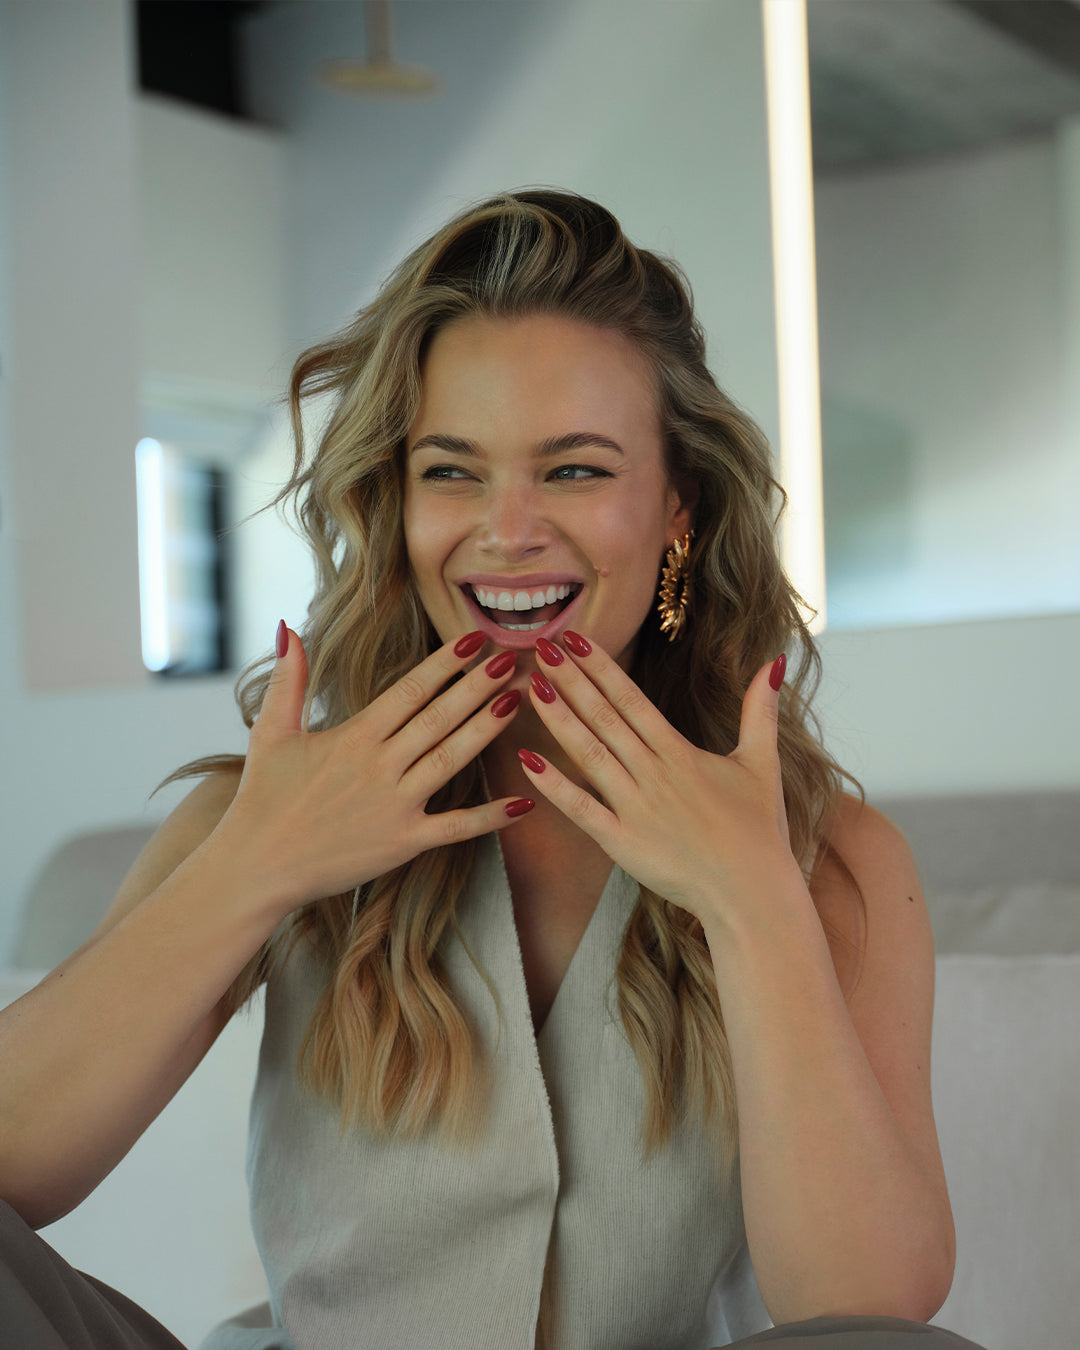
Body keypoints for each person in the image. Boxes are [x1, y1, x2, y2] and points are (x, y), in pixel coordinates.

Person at [0, 190, 984, 1350]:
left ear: (677, 506)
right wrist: (256, 867)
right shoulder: (262, 811)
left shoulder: (833, 863)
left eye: (573, 472)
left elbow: (872, 1307)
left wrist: (750, 899)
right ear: (396, 502)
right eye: (452, 472)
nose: (507, 531)